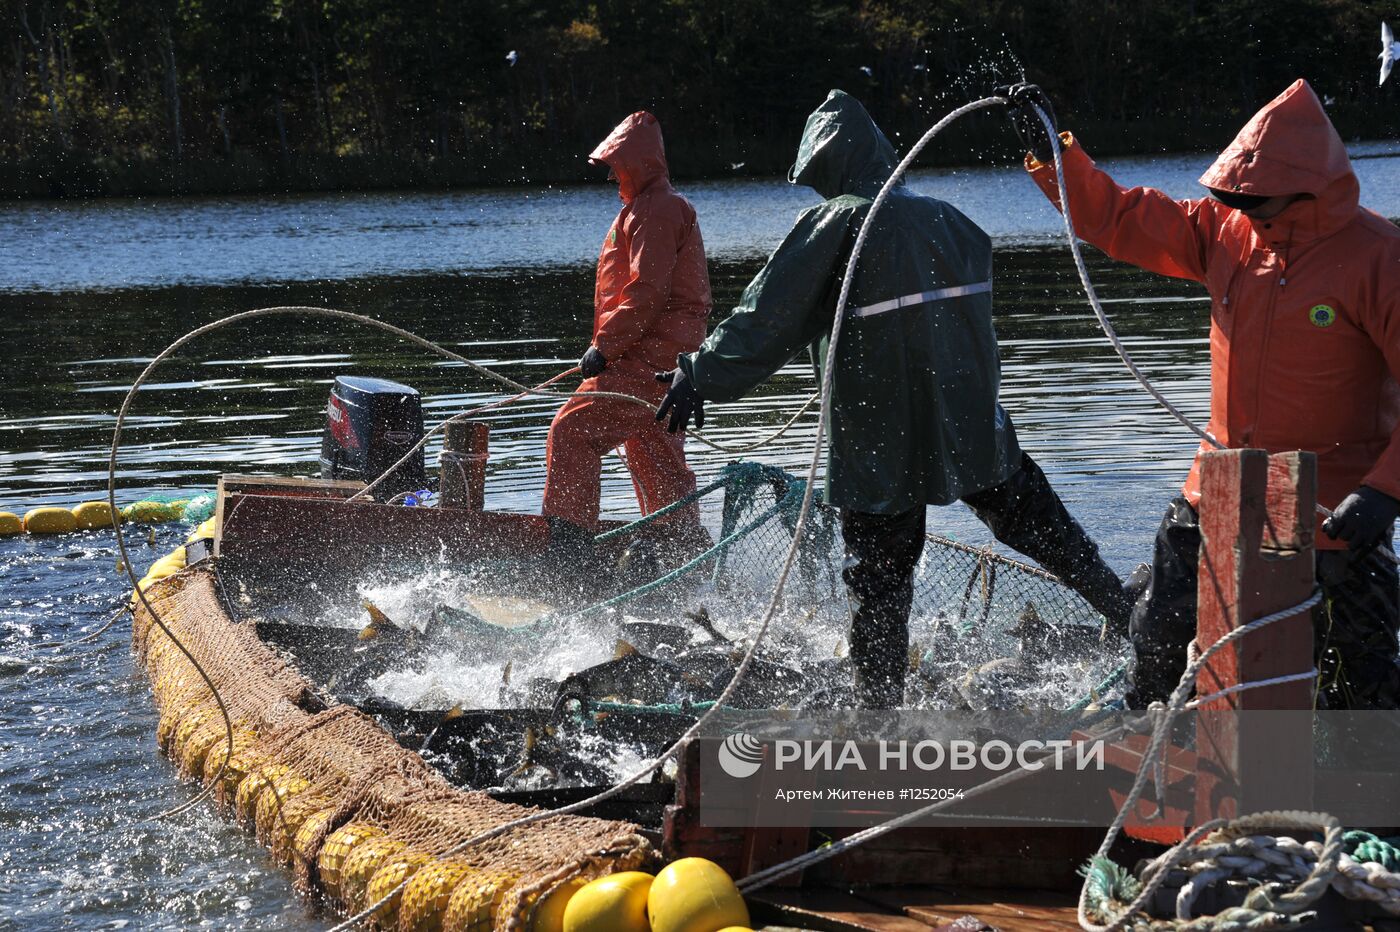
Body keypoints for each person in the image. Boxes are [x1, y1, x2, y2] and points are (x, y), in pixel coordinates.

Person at [654, 90, 1132, 709]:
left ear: (830, 165)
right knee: (1050, 533)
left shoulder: (838, 222)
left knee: (879, 582)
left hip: (880, 437)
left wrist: (701, 375)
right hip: (971, 426)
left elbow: (764, 318)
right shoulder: (955, 222)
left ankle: (880, 719)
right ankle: (1140, 626)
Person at [1000, 78, 1400, 710]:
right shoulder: (1224, 229)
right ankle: (1148, 766)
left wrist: (1384, 490)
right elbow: (1118, 217)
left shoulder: (1380, 258)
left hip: (1334, 514)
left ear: (1305, 191)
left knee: (1360, 681)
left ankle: (1366, 798)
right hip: (1215, 492)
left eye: (1254, 198)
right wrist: (1056, 155)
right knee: (1158, 640)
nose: (1240, 206)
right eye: (1232, 194)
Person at [541, 111, 713, 576]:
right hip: (668, 360)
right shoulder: (657, 207)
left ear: (638, 163)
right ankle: (689, 565)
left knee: (573, 431)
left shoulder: (656, 210)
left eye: (618, 164)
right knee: (655, 452)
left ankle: (569, 563)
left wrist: (604, 347)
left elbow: (647, 292)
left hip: (648, 357)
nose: (614, 173)